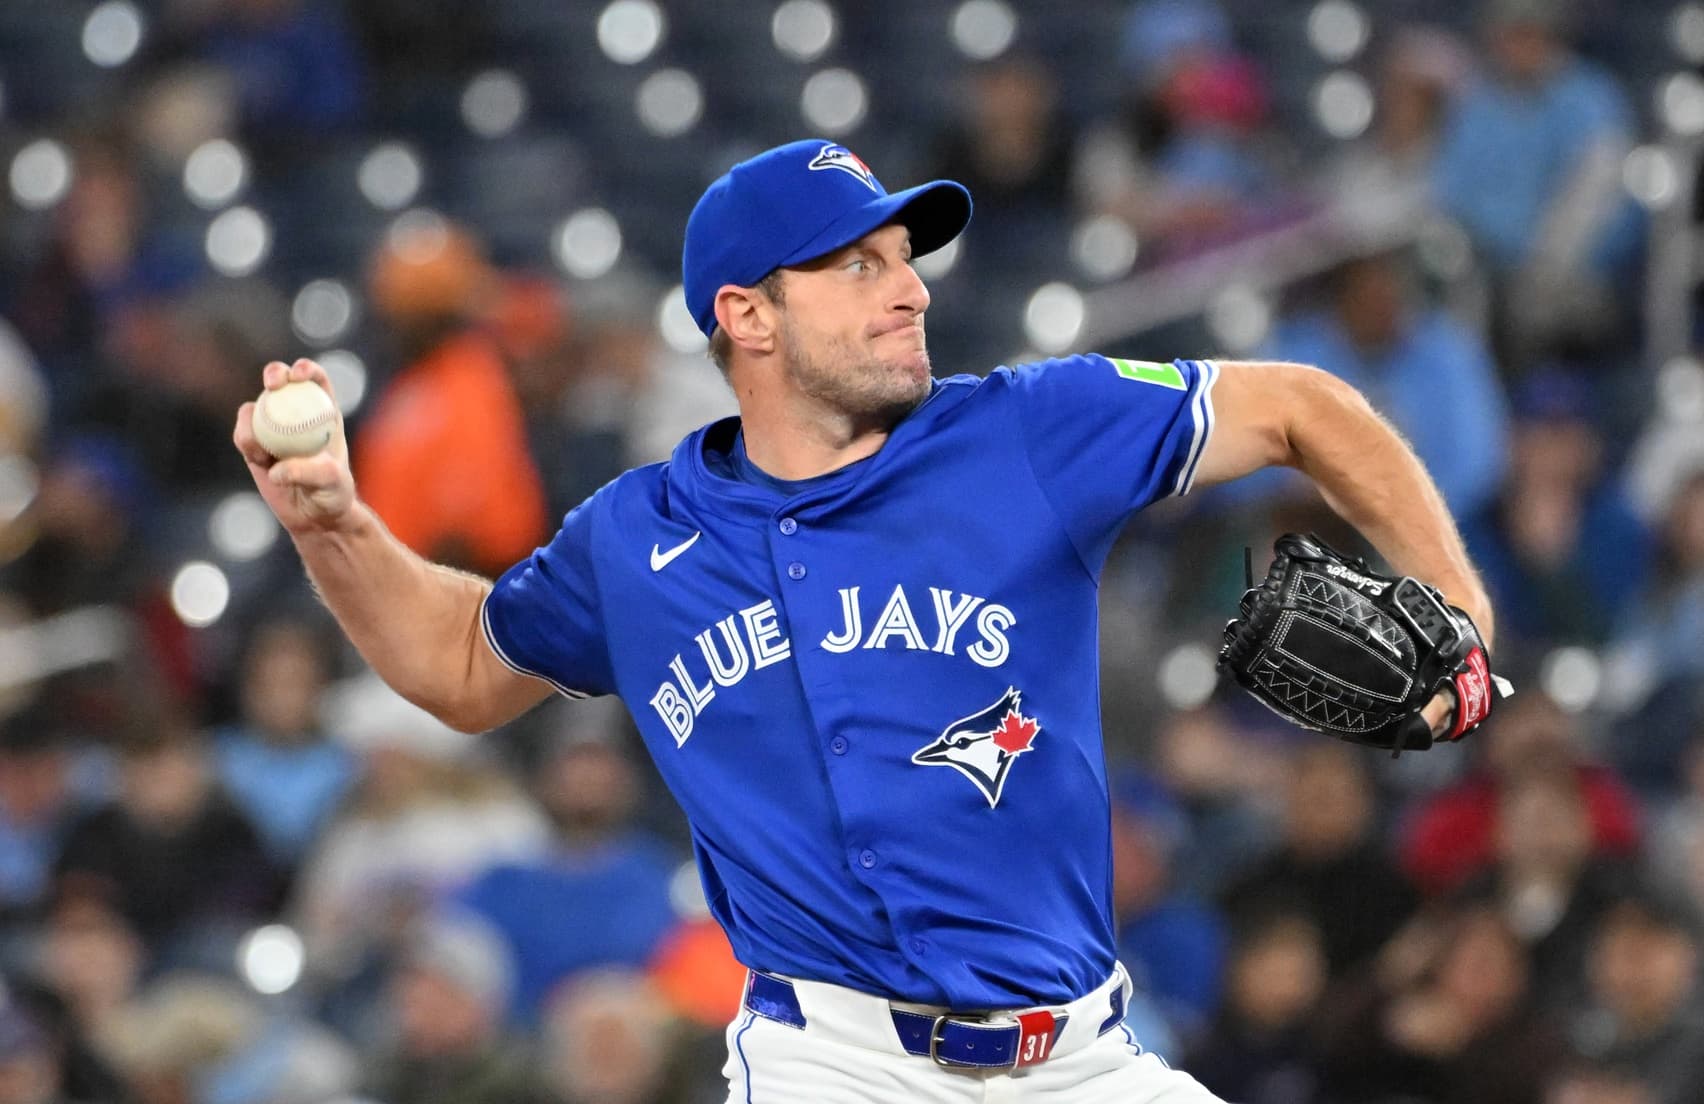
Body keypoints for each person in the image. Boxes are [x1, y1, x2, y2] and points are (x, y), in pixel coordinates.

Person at [232, 138, 1494, 1102]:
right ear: (746, 315)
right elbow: (460, 666)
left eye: (905, 261)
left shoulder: (1021, 431)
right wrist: (333, 525)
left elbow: (1300, 407)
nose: (908, 293)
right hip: (834, 1067)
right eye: (858, 266)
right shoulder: (636, 539)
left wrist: (1459, 603)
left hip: (1083, 1059)